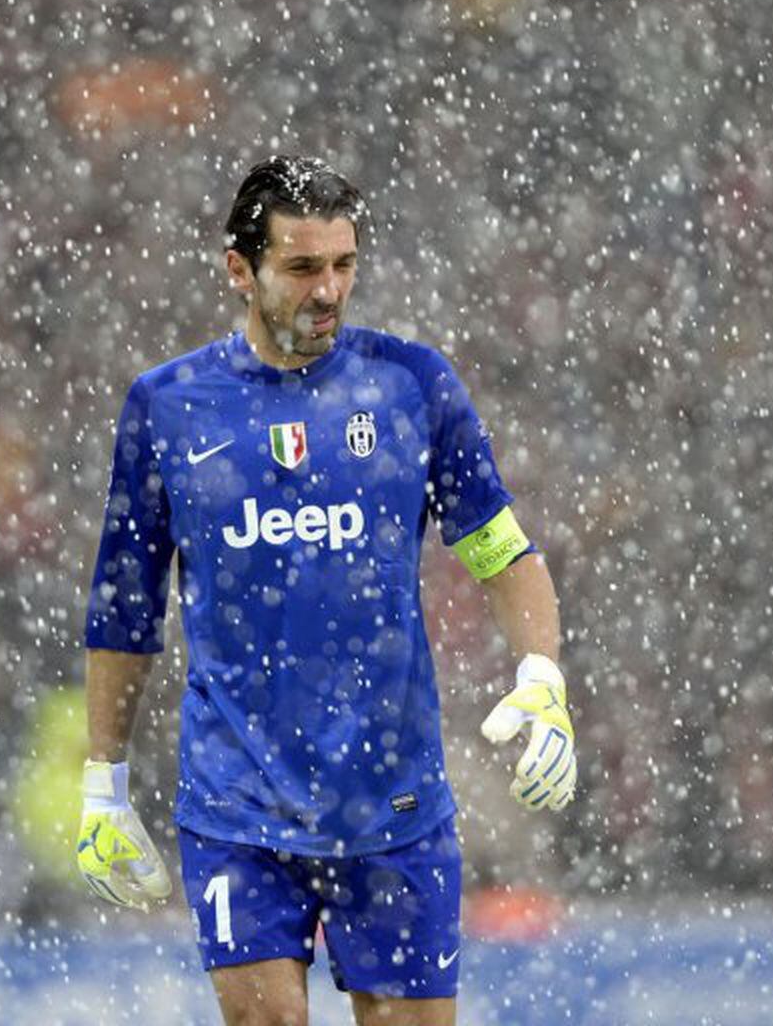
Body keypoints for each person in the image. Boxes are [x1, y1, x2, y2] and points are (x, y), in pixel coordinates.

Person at [77, 156, 577, 1026]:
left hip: (394, 801)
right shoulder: (168, 407)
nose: (329, 290)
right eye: (303, 267)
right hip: (241, 806)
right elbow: (125, 607)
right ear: (241, 269)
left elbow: (502, 551)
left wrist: (544, 674)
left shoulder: (412, 387)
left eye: (344, 265)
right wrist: (102, 781)